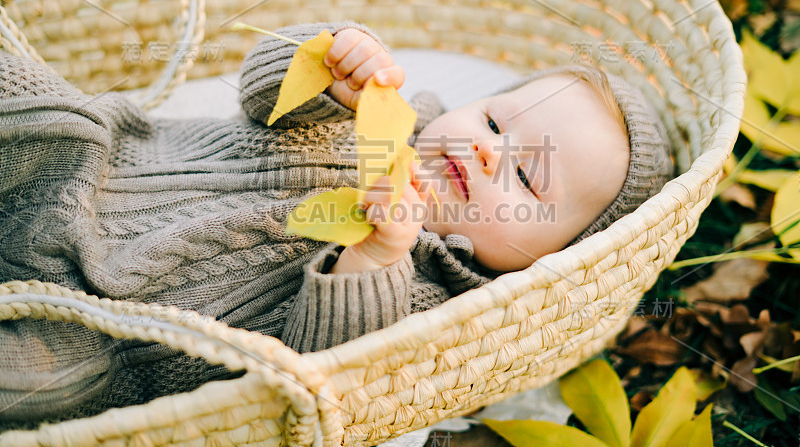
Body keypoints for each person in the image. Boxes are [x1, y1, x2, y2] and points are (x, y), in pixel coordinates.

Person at [0, 21, 673, 427]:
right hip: (90, 165)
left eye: (527, 176)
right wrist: (328, 66)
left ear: (545, 259)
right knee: (27, 100)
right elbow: (263, 100)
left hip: (98, 332)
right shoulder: (387, 116)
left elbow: (324, 368)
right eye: (494, 121)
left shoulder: (432, 303)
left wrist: (376, 257)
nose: (486, 149)